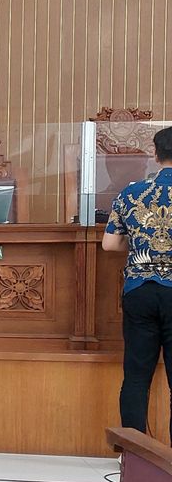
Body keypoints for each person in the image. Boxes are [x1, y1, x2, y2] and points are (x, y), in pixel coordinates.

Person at [102, 126, 172, 442]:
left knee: (136, 377)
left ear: (156, 156)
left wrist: (142, 250)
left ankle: (132, 453)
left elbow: (108, 245)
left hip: (140, 290)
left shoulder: (130, 193)